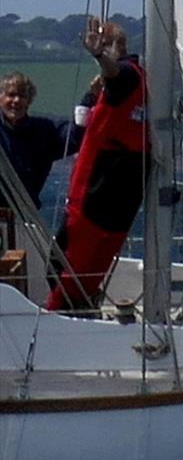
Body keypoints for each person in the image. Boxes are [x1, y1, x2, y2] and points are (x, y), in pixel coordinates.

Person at [45, 18, 150, 312]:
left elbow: (115, 73)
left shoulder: (126, 75)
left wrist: (98, 56)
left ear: (113, 46)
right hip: (128, 183)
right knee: (96, 259)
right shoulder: (144, 79)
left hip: (99, 184)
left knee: (64, 260)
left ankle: (58, 311)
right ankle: (80, 305)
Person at [0, 71, 90, 210]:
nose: (16, 100)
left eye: (22, 95)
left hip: (23, 217)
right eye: (11, 95)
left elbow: (75, 136)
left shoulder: (43, 132)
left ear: (29, 101)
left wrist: (89, 100)